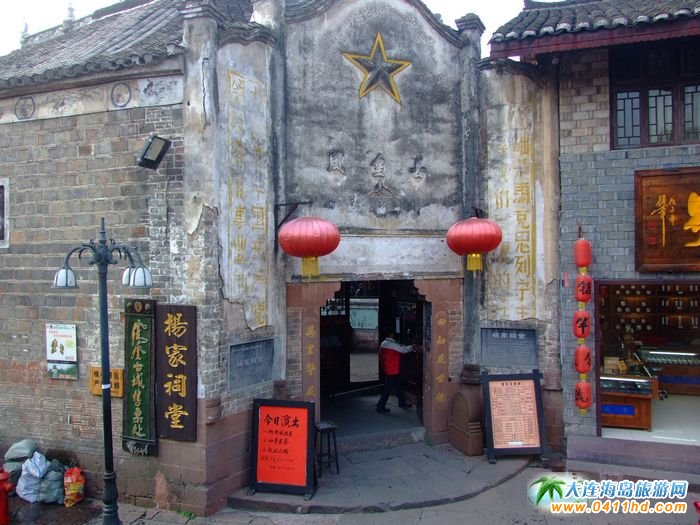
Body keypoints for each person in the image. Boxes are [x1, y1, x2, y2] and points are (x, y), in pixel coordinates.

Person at [376, 330, 417, 414]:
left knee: (398, 386)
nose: (394, 334)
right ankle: (380, 406)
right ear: (391, 334)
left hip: (389, 368)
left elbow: (397, 348)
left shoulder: (384, 343)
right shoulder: (391, 344)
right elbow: (403, 350)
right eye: (393, 333)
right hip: (392, 369)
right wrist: (412, 346)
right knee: (388, 388)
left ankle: (402, 402)